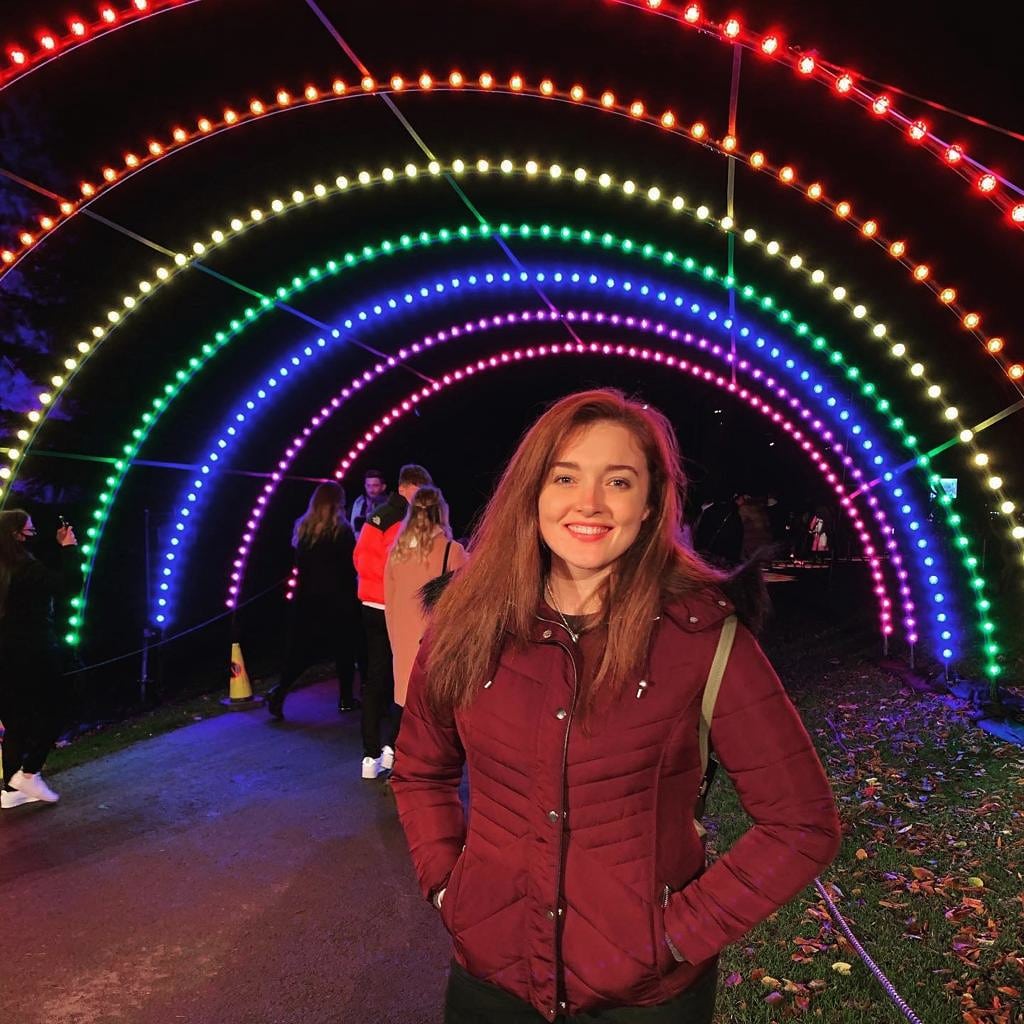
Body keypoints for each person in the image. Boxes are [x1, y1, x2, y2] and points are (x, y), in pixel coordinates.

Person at [390, 390, 841, 1022]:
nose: (590, 503)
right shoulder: (465, 625)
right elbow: (421, 770)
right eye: (566, 476)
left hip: (646, 997)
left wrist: (677, 934)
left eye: (619, 481)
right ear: (533, 493)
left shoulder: (703, 637)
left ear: (651, 502)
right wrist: (448, 888)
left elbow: (802, 823)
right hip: (492, 982)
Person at [353, 463, 432, 779]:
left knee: (375, 676)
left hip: (370, 604)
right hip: (395, 606)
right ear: (409, 488)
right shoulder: (406, 519)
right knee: (403, 676)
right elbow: (403, 565)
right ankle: (392, 746)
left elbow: (359, 558)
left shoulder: (376, 516)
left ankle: (369, 755)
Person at [0, 510, 81, 808]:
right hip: (34, 649)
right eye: (30, 529)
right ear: (15, 534)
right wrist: (69, 548)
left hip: (4, 655)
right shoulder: (26, 569)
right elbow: (70, 585)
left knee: (16, 720)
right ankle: (30, 772)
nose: (34, 533)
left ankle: (10, 790)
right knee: (58, 708)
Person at [265, 483, 359, 719]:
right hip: (338, 598)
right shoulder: (342, 531)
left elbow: (300, 566)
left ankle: (280, 691)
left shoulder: (304, 529)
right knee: (344, 649)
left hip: (307, 599)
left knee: (301, 652)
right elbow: (349, 568)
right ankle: (346, 698)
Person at [384, 486, 467, 749]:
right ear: (441, 511)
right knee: (434, 711)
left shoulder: (397, 552)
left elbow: (389, 601)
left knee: (404, 701)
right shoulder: (451, 550)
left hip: (401, 640)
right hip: (433, 642)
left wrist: (394, 640)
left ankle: (398, 756)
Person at [350, 469, 389, 535]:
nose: (371, 490)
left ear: (383, 487)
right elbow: (353, 527)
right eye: (368, 486)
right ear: (365, 486)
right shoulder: (359, 502)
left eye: (375, 485)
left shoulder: (389, 505)